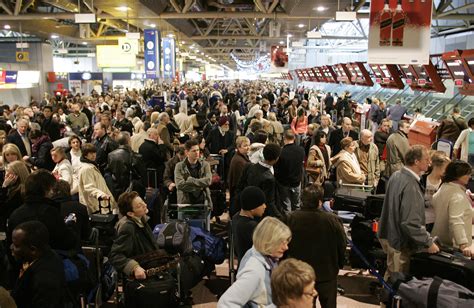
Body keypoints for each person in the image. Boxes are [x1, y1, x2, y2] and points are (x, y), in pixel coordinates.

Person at [378, 145, 440, 279]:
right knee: (396, 281)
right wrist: (428, 242)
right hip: (399, 241)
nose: (429, 162)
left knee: (390, 273)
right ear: (416, 162)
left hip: (389, 235)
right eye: (426, 159)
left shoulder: (397, 175)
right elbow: (410, 222)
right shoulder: (410, 184)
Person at [283, 185, 346, 308]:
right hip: (327, 274)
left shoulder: (290, 219)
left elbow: (283, 245)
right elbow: (342, 245)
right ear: (319, 202)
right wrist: (339, 264)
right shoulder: (333, 220)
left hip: (300, 275)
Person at [217, 217, 292, 308]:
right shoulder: (254, 270)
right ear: (268, 241)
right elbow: (225, 304)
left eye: (286, 242)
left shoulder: (263, 255)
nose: (286, 247)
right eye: (281, 242)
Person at [7, 169, 78, 251]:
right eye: (52, 188)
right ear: (47, 189)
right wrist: (70, 225)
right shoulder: (50, 212)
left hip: (20, 262)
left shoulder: (15, 214)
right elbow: (67, 242)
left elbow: (10, 247)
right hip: (49, 261)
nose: (53, 192)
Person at [10, 221, 66, 308]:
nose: (11, 247)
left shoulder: (44, 280)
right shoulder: (46, 254)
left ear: (33, 250)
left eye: (16, 246)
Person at [109, 191, 159, 279]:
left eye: (143, 202)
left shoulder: (142, 219)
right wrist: (134, 267)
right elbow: (115, 256)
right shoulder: (128, 227)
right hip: (143, 275)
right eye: (139, 206)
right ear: (130, 213)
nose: (145, 205)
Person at [432, 160, 474, 258]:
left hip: (439, 242)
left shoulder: (443, 188)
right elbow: (456, 221)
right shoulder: (457, 195)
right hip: (454, 248)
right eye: (467, 174)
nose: (469, 177)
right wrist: (463, 245)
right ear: (458, 175)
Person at [234, 143, 282, 217]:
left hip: (244, 210)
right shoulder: (269, 179)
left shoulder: (249, 166)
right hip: (258, 215)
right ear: (276, 159)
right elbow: (269, 203)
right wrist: (281, 217)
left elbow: (239, 187)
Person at [51, 180, 92, 250]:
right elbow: (86, 234)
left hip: (53, 252)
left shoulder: (47, 209)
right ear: (68, 191)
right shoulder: (80, 207)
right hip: (74, 251)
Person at [78, 143, 117, 214]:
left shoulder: (91, 165)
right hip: (96, 204)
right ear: (85, 154)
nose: (93, 155)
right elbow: (88, 187)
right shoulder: (87, 168)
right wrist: (101, 195)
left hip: (99, 203)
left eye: (94, 152)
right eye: (90, 153)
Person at [232, 186, 267, 264]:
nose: (265, 206)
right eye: (261, 204)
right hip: (252, 267)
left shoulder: (236, 217)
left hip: (242, 264)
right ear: (252, 207)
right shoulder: (250, 226)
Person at [274, 130, 305, 213]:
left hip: (284, 183)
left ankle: (288, 224)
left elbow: (277, 169)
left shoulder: (281, 152)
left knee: (286, 207)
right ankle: (297, 223)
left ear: (284, 138)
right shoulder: (301, 150)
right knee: (297, 205)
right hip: (296, 182)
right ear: (294, 138)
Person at [174, 139, 213, 206]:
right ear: (187, 152)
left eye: (198, 150)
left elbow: (208, 181)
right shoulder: (179, 166)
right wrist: (200, 188)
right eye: (194, 151)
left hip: (203, 202)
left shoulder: (205, 165)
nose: (197, 153)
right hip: (185, 202)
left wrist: (190, 180)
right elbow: (179, 185)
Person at [420, 151, 450, 232]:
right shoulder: (422, 179)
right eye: (446, 168)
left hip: (437, 224)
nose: (447, 171)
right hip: (421, 222)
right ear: (437, 166)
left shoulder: (445, 183)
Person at [0, 161, 29, 232]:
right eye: (6, 173)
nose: (6, 176)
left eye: (9, 174)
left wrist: (4, 187)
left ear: (17, 176)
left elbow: (2, 208)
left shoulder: (21, 191)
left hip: (16, 226)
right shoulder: (11, 187)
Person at [227, 136, 251, 210]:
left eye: (248, 145)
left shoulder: (242, 157)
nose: (248, 147)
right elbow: (239, 181)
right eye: (245, 146)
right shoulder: (239, 161)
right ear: (239, 147)